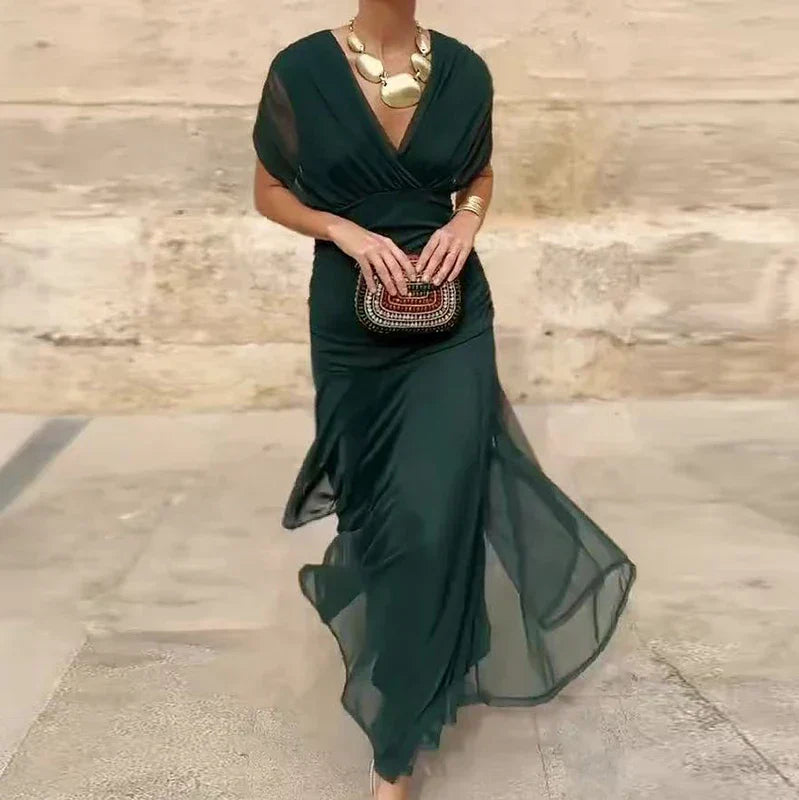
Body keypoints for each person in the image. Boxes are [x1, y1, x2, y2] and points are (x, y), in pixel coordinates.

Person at [251, 3, 636, 798]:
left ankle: (396, 747)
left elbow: (479, 175)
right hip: (350, 324)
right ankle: (424, 643)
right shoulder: (301, 69)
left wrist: (467, 222)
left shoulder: (464, 70)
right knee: (381, 516)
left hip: (453, 320)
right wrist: (342, 230)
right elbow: (268, 192)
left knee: (436, 512)